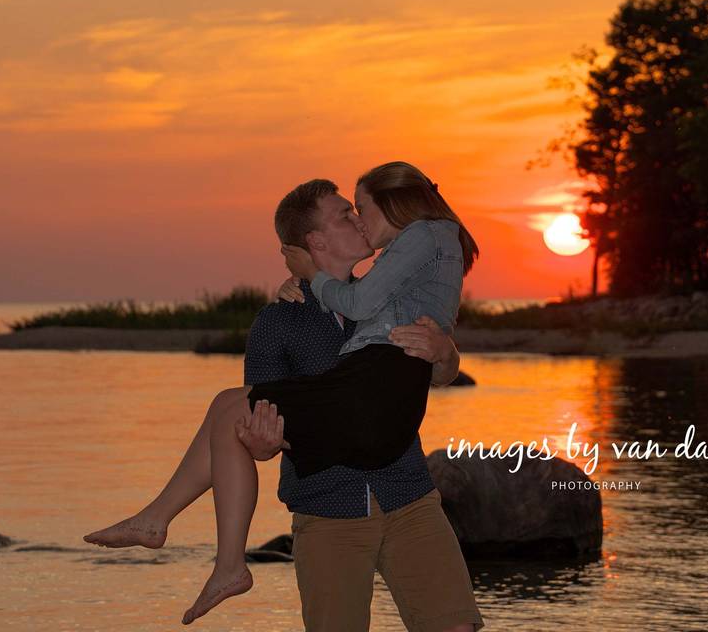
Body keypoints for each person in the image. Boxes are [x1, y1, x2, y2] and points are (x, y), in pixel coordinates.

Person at [85, 161, 480, 627]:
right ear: (315, 242)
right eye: (344, 215)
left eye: (358, 210)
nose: (357, 219)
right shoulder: (277, 323)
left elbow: (436, 371)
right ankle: (187, 538)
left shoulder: (385, 293)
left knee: (454, 626)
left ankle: (173, 529)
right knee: (232, 409)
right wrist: (260, 443)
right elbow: (258, 436)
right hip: (328, 513)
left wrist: (445, 351)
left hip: (408, 495)